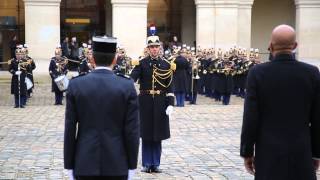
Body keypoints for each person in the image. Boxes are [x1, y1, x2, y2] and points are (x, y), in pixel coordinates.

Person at [240, 24, 320, 179]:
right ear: (295, 46)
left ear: (270, 46)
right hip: (301, 150)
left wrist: (247, 152)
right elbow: (317, 118)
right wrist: (316, 153)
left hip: (268, 151)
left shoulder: (257, 73)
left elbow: (251, 117)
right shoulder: (312, 73)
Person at [64, 36, 139, 180]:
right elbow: (132, 132)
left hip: (84, 162)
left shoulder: (76, 85)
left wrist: (69, 165)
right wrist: (131, 166)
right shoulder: (126, 86)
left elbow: (70, 129)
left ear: (92, 59)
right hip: (117, 163)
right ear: (115, 59)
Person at [130, 35, 174, 173]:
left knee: (158, 134)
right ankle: (147, 163)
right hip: (145, 102)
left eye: (156, 47)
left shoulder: (167, 64)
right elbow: (132, 79)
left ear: (159, 48)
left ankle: (156, 163)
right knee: (146, 133)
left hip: (161, 102)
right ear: (148, 49)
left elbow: (170, 87)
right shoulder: (141, 63)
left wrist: (171, 104)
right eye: (151, 47)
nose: (154, 49)